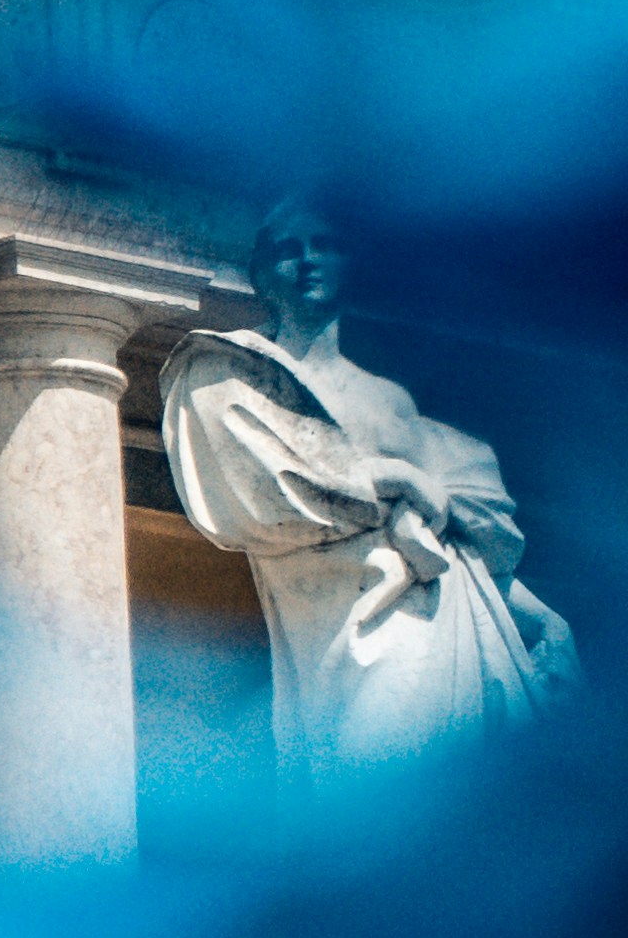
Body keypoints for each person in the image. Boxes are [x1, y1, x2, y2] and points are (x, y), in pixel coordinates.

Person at [157, 208, 575, 772]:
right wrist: (396, 480)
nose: (307, 259)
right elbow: (263, 495)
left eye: (325, 243)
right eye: (287, 247)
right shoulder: (231, 372)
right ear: (258, 270)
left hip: (426, 621)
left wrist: (545, 619)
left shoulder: (391, 400)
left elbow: (464, 554)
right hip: (336, 625)